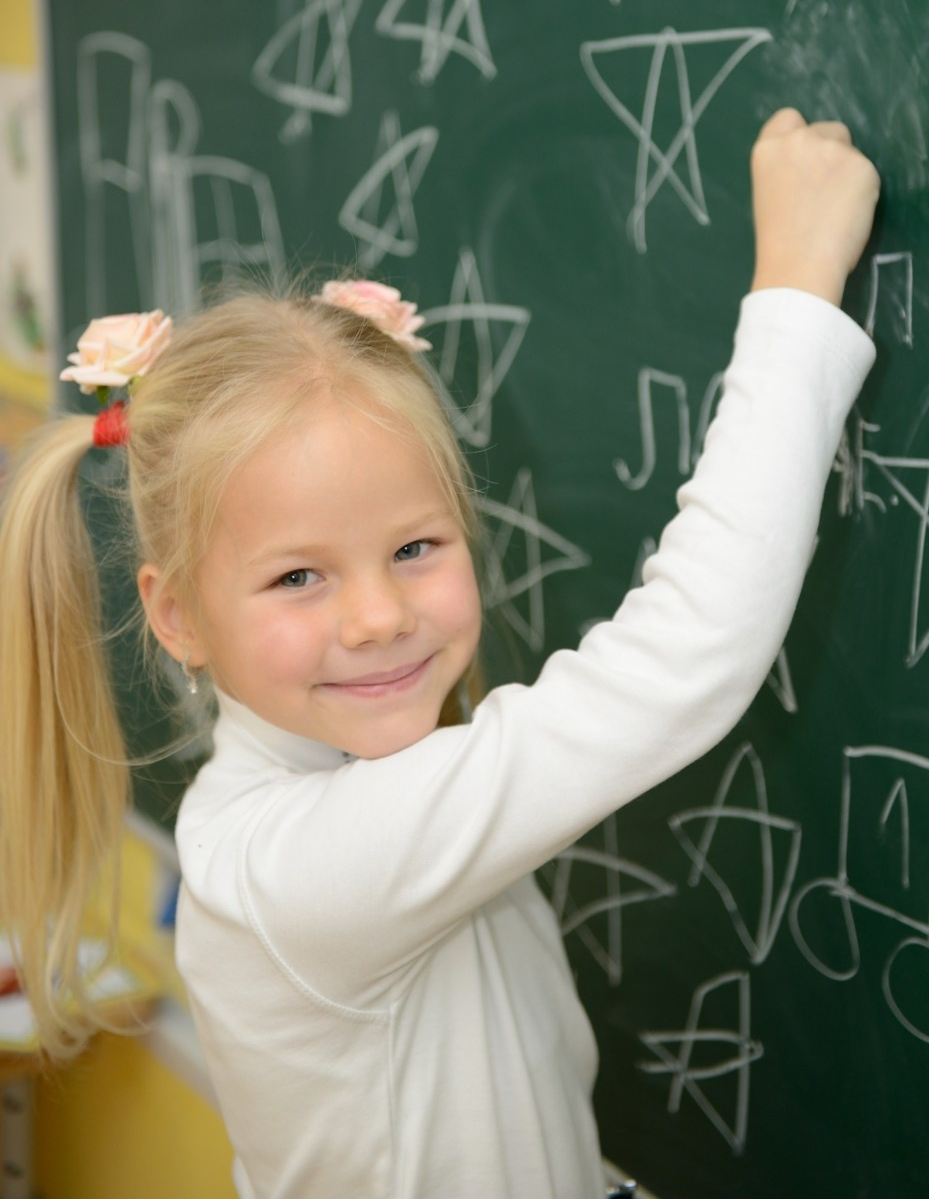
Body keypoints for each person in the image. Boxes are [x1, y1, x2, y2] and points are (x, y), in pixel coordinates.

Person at [0, 108, 879, 1198]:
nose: (377, 617)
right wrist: (795, 288)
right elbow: (687, 651)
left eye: (415, 547)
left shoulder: (342, 793)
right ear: (175, 618)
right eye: (296, 576)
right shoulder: (299, 867)